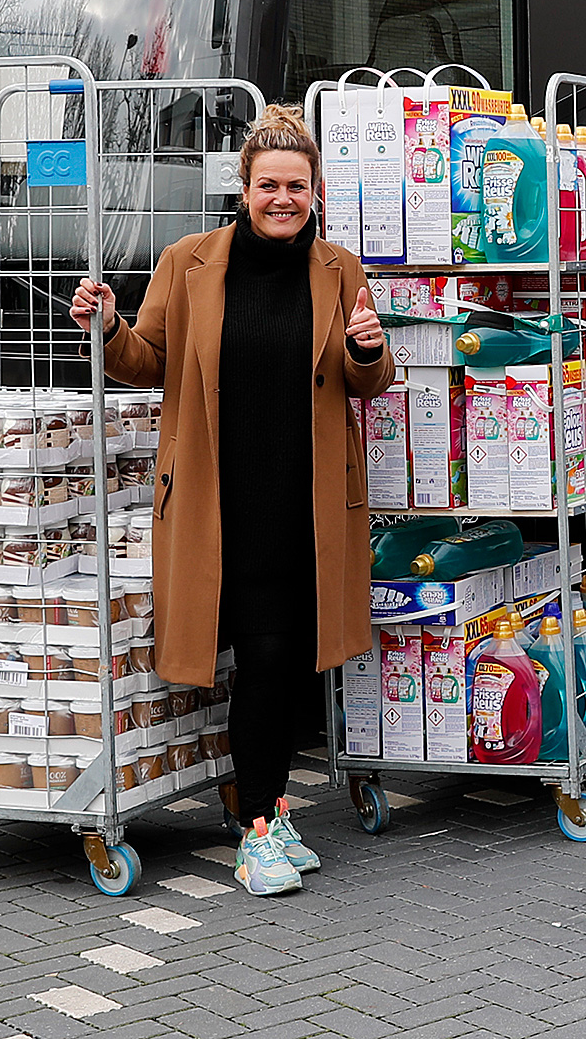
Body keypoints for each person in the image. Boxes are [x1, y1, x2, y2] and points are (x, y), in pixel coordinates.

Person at [68, 105, 393, 898]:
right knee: (264, 658)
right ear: (243, 188)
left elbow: (365, 382)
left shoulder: (339, 269)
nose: (283, 198)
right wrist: (109, 325)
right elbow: (146, 361)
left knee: (281, 665)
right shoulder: (187, 263)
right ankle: (255, 832)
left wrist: (369, 351)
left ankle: (273, 811)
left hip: (307, 502)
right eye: (268, 185)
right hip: (222, 499)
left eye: (297, 186)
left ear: (316, 192)